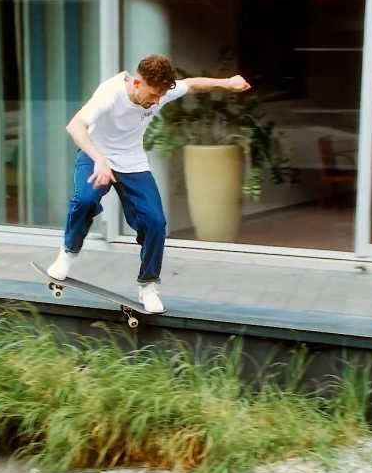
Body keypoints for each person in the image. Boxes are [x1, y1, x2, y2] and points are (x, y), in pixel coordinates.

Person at [46, 54, 251, 313]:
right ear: (136, 84)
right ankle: (68, 253)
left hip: (132, 162)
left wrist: (227, 82)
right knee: (85, 199)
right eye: (153, 95)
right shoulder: (109, 93)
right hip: (95, 154)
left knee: (155, 222)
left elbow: (194, 83)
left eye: (160, 96)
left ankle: (149, 285)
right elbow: (75, 126)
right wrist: (100, 160)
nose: (156, 102)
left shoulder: (162, 90)